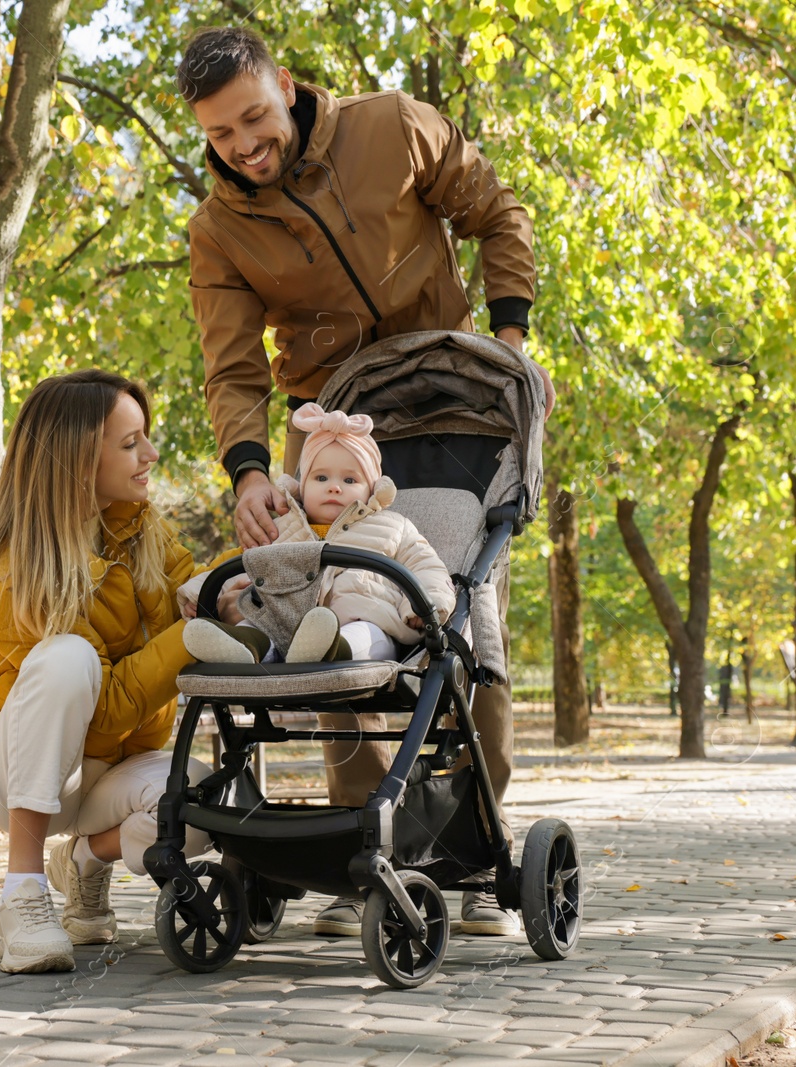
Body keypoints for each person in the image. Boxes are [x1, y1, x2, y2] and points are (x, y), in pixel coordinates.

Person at [178, 26, 553, 939]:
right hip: (332, 432)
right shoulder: (220, 229)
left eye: (254, 118)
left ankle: (469, 852)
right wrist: (252, 470)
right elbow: (232, 370)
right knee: (334, 617)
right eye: (221, 135)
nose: (243, 146)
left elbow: (495, 211)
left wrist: (509, 340)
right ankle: (363, 857)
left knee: (464, 622)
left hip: (460, 414)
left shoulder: (394, 127)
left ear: (287, 89)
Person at [0, 369, 215, 974]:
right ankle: (22, 896)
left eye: (144, 438)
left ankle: (83, 862)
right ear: (75, 462)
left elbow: (194, 582)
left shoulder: (136, 523)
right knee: (67, 658)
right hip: (18, 769)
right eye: (130, 444)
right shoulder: (9, 571)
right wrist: (193, 636)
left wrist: (244, 572)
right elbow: (101, 713)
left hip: (107, 773)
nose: (150, 455)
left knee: (208, 801)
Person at [177, 404, 456, 666]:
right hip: (284, 625)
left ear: (372, 489)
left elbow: (426, 566)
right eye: (321, 478)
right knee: (254, 623)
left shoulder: (393, 526)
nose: (334, 487)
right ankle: (242, 649)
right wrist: (201, 594)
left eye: (349, 480)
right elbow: (244, 569)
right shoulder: (284, 530)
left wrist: (424, 606)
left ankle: (331, 651)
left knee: (368, 634)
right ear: (302, 486)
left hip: (365, 620)